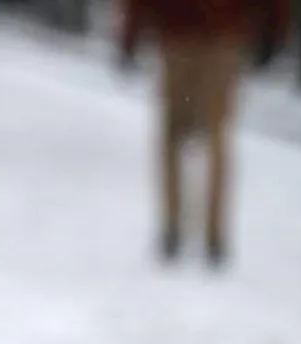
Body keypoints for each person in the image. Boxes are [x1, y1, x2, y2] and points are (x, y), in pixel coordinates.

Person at [119, 0, 291, 267]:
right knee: (216, 135)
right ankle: (214, 234)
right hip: (222, 34)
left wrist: (130, 34)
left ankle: (174, 227)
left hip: (179, 33)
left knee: (173, 134)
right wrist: (273, 31)